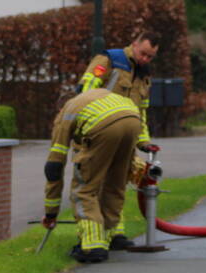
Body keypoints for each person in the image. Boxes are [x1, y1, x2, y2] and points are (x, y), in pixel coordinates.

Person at [77, 31, 160, 249]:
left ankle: (115, 233)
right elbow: (85, 92)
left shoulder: (144, 75)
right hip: (97, 134)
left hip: (125, 139)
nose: (145, 59)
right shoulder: (110, 60)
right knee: (92, 184)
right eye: (143, 53)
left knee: (117, 184)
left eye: (150, 57)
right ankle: (92, 238)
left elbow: (141, 113)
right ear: (134, 44)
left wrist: (143, 141)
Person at [43, 88, 142, 263]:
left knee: (84, 190)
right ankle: (111, 236)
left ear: (60, 109)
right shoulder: (95, 98)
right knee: (114, 185)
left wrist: (51, 213)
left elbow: (54, 166)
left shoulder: (66, 113)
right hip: (134, 120)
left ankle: (92, 247)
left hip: (104, 126)